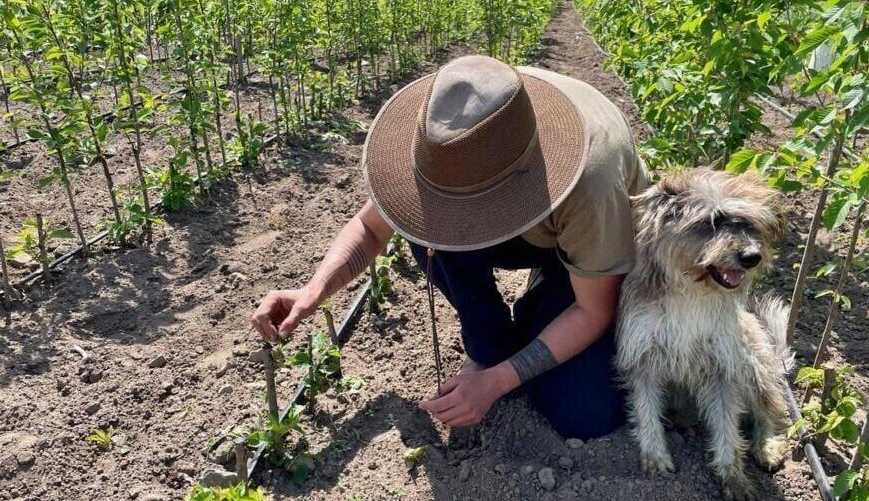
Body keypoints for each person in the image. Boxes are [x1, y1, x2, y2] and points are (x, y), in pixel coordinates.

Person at [250, 55, 648, 439]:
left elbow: (593, 308)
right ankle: (493, 343)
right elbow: (370, 230)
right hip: (525, 218)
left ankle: (552, 286)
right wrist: (315, 289)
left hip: (586, 246)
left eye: (463, 201)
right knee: (423, 228)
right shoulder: (451, 143)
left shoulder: (590, 179)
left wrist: (496, 382)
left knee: (583, 411)